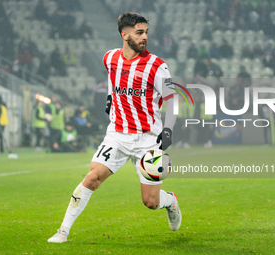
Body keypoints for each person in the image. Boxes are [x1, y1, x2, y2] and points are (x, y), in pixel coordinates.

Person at [48, 12, 181, 243]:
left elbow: (174, 100)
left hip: (148, 140)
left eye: (146, 32)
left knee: (150, 202)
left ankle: (171, 201)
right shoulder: (110, 58)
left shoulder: (157, 65)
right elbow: (112, 78)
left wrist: (167, 132)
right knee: (91, 178)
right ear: (124, 34)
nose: (144, 37)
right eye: (139, 33)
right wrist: (111, 99)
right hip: (117, 135)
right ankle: (63, 231)